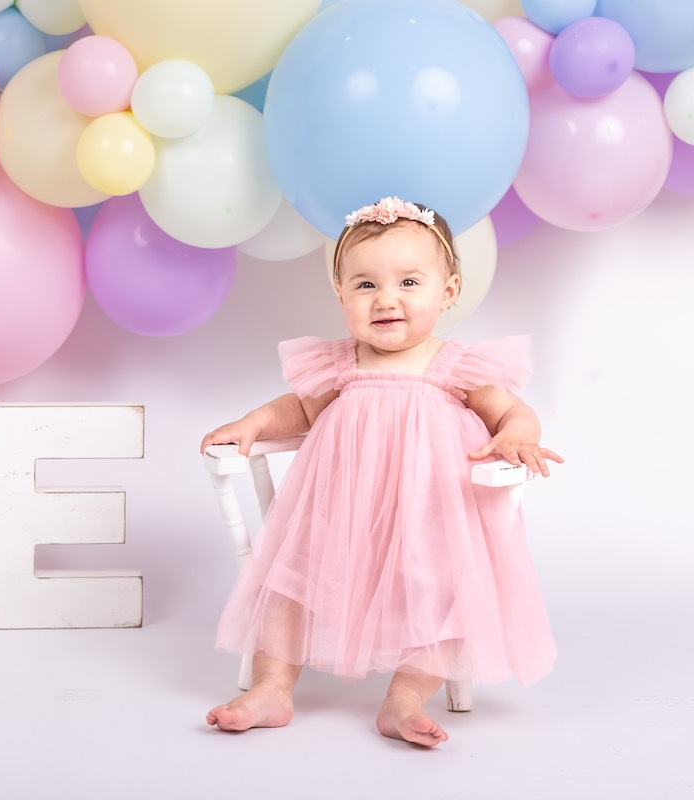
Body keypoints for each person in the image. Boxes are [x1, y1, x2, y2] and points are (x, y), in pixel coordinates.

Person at [201, 197, 561, 746]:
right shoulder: (341, 364)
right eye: (365, 285)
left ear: (448, 291)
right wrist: (254, 422)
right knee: (290, 589)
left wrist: (516, 434)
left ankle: (405, 697)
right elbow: (298, 410)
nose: (386, 299)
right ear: (340, 294)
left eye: (409, 283)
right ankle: (272, 688)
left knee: (442, 601)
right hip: (338, 519)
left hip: (429, 520)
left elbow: (513, 411)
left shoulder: (456, 366)